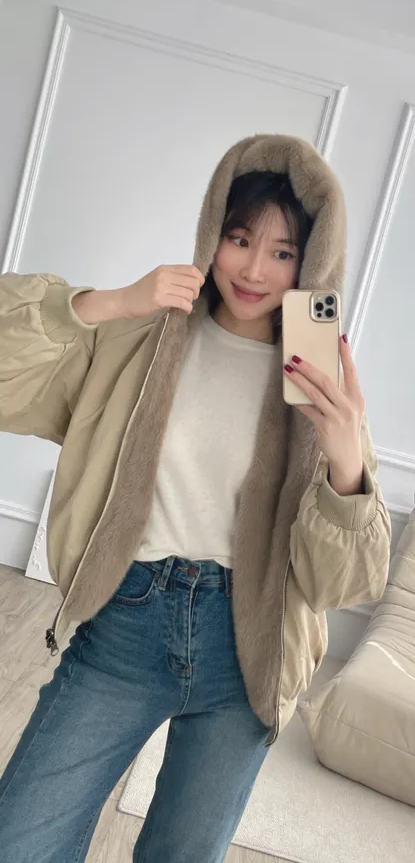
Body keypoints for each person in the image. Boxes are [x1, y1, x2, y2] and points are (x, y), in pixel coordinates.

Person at [0, 134, 391, 863]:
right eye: (239, 239)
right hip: (125, 622)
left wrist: (344, 462)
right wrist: (112, 301)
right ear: (212, 234)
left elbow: (345, 584)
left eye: (283, 251)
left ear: (312, 263)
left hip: (248, 652)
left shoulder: (318, 379)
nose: (254, 269)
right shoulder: (142, 336)